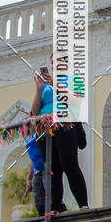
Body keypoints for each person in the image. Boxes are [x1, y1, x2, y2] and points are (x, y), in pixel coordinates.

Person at [31, 53, 89, 212]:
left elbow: (77, 100)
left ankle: (83, 205)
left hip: (65, 123)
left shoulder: (74, 79)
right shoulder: (46, 86)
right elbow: (35, 112)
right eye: (52, 62)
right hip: (45, 127)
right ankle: (56, 207)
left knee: (70, 165)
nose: (54, 65)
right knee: (52, 169)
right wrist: (39, 90)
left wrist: (55, 84)